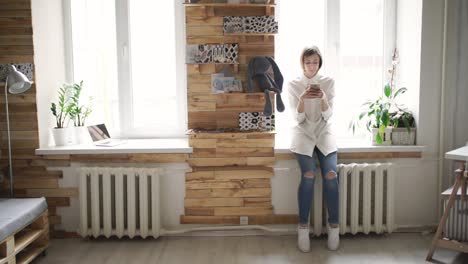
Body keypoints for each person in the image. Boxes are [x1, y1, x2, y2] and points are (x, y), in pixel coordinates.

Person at [287, 46, 339, 252]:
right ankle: (303, 228)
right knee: (308, 175)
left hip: (324, 133)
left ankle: (334, 226)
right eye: (308, 62)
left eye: (315, 62)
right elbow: (297, 119)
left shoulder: (329, 82)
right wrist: (302, 99)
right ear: (302, 63)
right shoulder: (293, 84)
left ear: (320, 63)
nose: (311, 65)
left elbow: (328, 116)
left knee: (331, 175)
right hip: (303, 134)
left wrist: (323, 97)